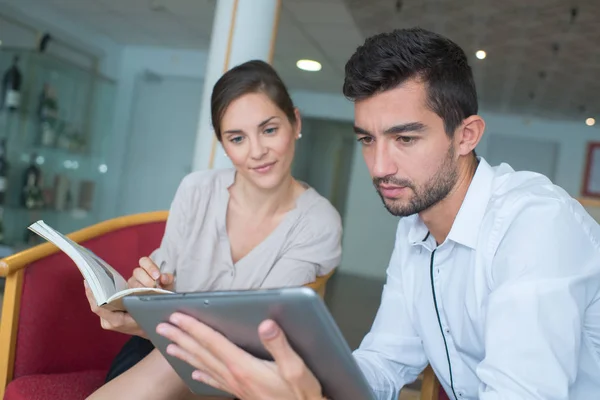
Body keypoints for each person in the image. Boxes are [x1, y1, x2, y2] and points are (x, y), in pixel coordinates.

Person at [154, 27, 600, 400]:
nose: (380, 167)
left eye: (405, 138)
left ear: (466, 135)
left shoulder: (536, 225)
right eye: (367, 139)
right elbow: (385, 362)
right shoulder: (415, 229)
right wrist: (314, 388)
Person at [85, 59, 343, 399]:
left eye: (269, 130)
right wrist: (141, 293)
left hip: (240, 374)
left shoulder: (318, 221)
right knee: (164, 360)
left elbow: (253, 332)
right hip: (157, 350)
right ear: (223, 144)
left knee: (172, 363)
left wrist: (155, 323)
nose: (257, 151)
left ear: (295, 122)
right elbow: (165, 279)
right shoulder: (196, 190)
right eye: (237, 138)